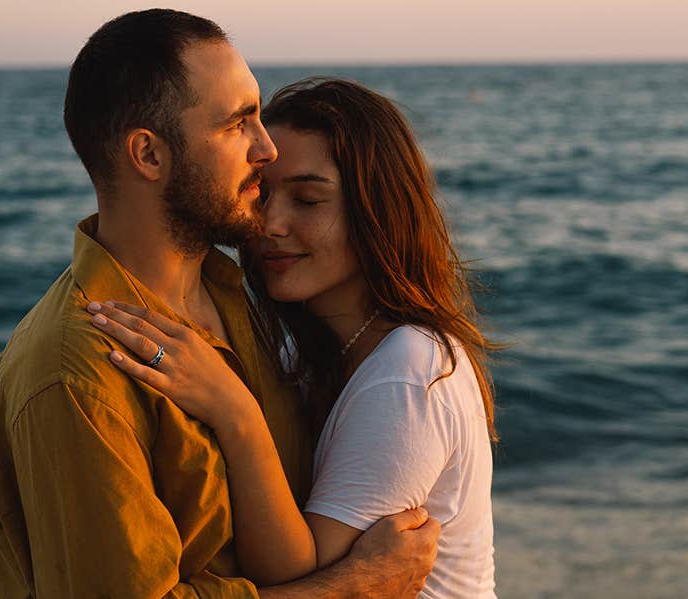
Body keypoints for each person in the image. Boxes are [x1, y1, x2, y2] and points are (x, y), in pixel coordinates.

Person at [0, 9, 439, 599]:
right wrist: (356, 585)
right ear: (148, 155)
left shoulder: (239, 297)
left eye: (258, 116)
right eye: (238, 123)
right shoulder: (77, 374)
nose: (266, 148)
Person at [87, 79, 502, 597]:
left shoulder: (411, 370)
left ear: (378, 211)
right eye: (261, 194)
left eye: (307, 200)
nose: (270, 225)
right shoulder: (306, 351)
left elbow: (293, 573)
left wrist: (234, 412)